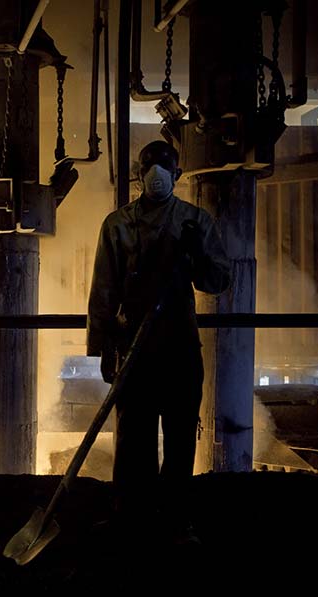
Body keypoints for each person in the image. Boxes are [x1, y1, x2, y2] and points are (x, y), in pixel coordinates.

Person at [86, 140, 231, 545]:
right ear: (138, 175)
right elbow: (103, 290)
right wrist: (102, 348)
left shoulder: (195, 222)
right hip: (134, 350)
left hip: (180, 349)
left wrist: (195, 256)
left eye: (164, 167)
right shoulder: (117, 225)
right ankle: (130, 518)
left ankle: (174, 521)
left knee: (182, 437)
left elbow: (217, 281)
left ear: (177, 176)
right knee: (133, 440)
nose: (156, 174)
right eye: (149, 167)